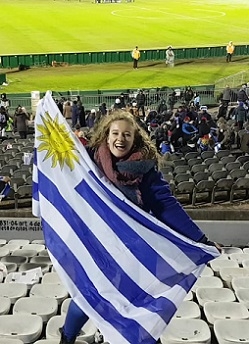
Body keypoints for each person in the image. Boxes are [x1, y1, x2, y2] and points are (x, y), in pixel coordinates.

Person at [59, 110, 221, 344]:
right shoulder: (88, 162)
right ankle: (67, 337)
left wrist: (201, 241)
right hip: (100, 246)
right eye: (115, 133)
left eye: (127, 134)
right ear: (106, 135)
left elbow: (165, 205)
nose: (120, 139)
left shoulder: (146, 170)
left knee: (139, 303)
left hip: (136, 250)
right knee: (88, 295)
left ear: (135, 139)